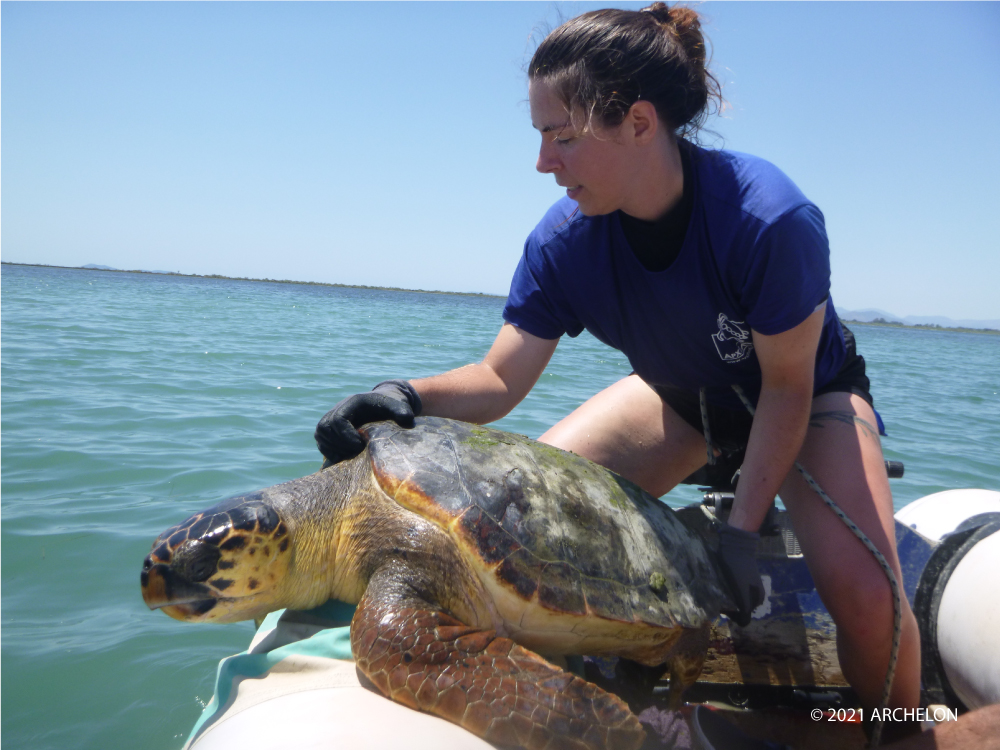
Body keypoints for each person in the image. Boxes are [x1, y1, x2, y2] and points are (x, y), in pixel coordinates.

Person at [314, 1, 920, 723]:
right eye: (540, 136)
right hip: (676, 398)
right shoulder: (564, 242)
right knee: (510, 535)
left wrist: (738, 535)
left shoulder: (768, 218)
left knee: (867, 597)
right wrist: (402, 395)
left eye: (561, 137)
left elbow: (787, 389)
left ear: (638, 123)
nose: (543, 161)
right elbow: (501, 378)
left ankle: (899, 733)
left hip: (805, 399)